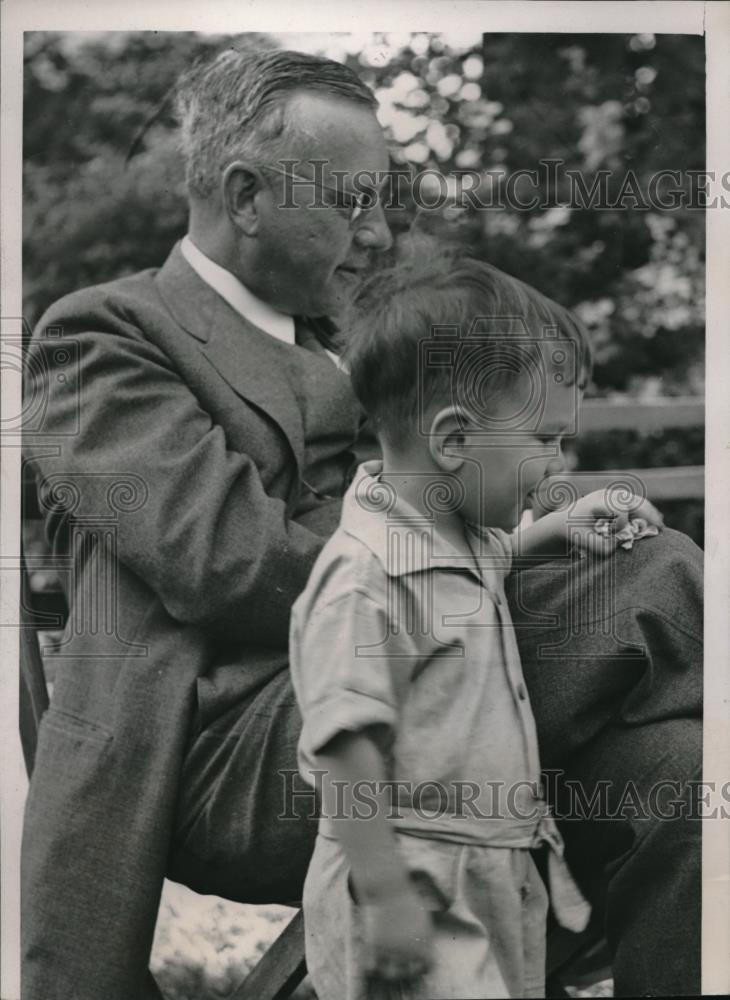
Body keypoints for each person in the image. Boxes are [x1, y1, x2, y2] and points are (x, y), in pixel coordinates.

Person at [21, 46, 702, 1000]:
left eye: (382, 200)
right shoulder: (102, 338)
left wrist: (560, 512)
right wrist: (486, 542)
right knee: (654, 577)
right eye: (350, 202)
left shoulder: (359, 336)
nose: (379, 233)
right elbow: (231, 561)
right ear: (246, 195)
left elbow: (464, 468)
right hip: (258, 743)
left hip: (447, 699)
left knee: (687, 782)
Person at [290, 253, 667, 999]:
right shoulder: (364, 581)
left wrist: (557, 526)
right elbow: (343, 748)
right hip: (410, 880)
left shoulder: (448, 534)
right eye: (545, 441)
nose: (559, 462)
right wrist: (388, 893)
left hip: (490, 872)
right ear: (454, 440)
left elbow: (476, 574)